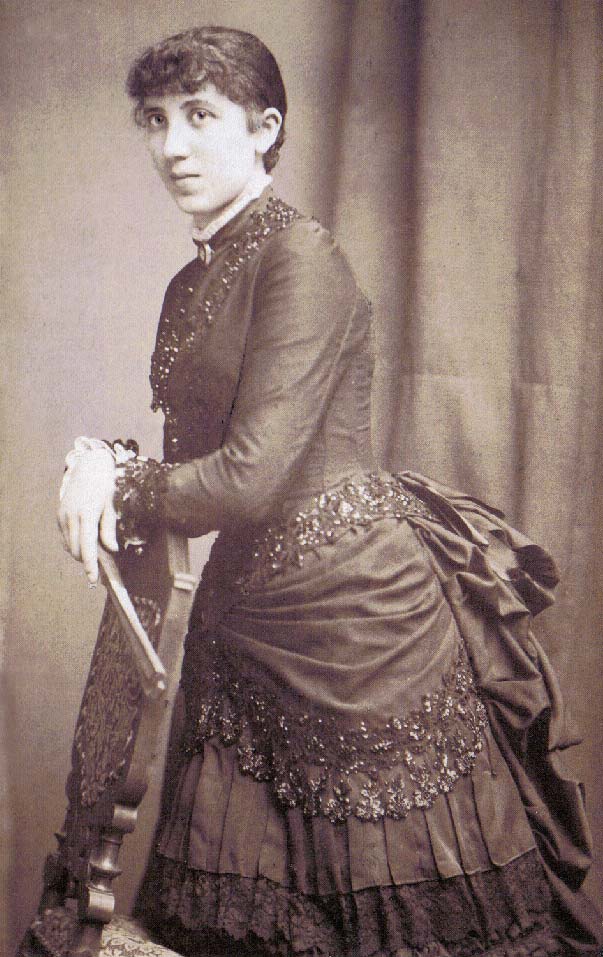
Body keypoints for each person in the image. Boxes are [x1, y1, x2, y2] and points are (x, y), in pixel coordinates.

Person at [58, 26, 602, 957]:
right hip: (242, 627)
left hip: (353, 626)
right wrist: (104, 458)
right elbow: (192, 462)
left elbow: (248, 475)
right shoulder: (191, 281)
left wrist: (117, 474)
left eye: (200, 116)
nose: (172, 145)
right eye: (154, 119)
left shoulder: (300, 259)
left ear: (265, 129)